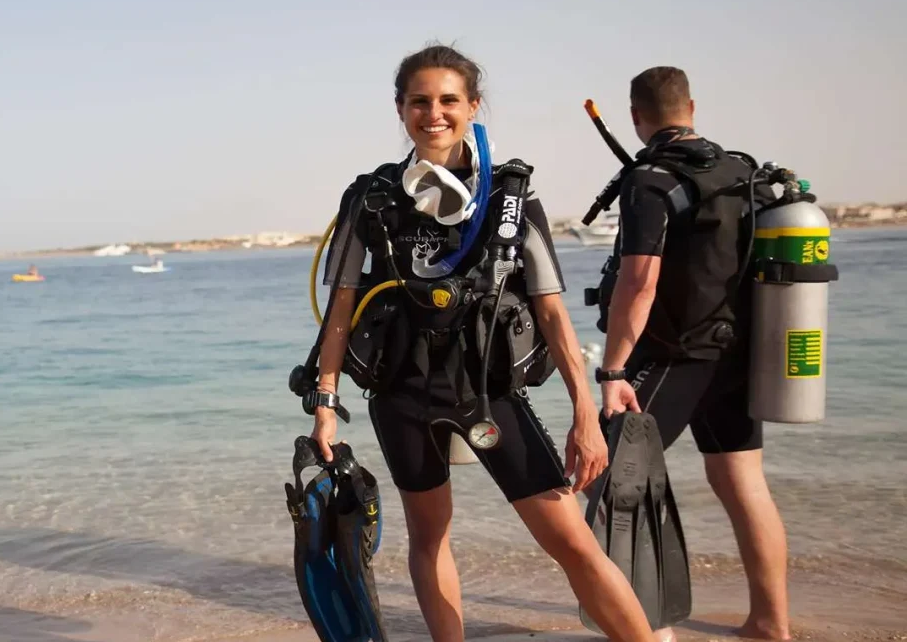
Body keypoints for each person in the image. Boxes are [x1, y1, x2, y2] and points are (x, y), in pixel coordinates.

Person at [307, 43, 658, 642]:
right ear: (400, 109)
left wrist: (585, 411)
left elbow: (552, 315)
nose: (434, 112)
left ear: (473, 106)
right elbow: (340, 306)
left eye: (449, 100)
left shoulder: (511, 199)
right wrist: (324, 399)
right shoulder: (371, 198)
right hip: (401, 395)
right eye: (420, 101)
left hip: (489, 395)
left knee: (571, 541)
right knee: (429, 537)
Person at [597, 66, 790, 640]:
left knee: (614, 482)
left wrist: (611, 368)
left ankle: (653, 631)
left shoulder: (650, 179)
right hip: (738, 354)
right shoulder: (741, 170)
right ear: (692, 107)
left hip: (675, 355)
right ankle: (769, 623)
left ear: (636, 117)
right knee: (743, 482)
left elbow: (638, 283)